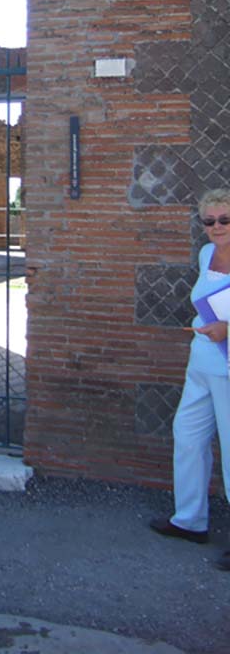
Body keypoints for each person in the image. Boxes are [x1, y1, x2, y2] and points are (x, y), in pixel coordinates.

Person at [149, 188, 230, 570]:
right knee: (188, 435)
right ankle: (190, 520)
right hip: (200, 362)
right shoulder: (206, 254)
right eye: (209, 221)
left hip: (227, 365)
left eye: (225, 219)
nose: (217, 227)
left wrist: (227, 329)